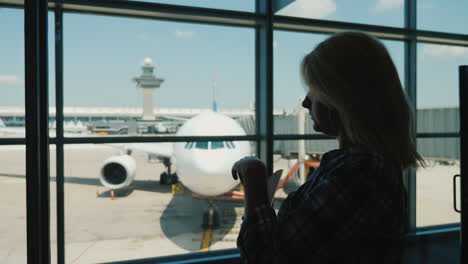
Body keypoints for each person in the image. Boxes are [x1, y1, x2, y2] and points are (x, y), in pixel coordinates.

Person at [231, 31, 424, 264]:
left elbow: (265, 258)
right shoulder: (370, 165)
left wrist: (253, 180)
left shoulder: (358, 171)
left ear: (342, 98)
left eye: (315, 89)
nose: (305, 102)